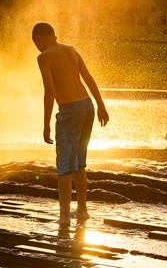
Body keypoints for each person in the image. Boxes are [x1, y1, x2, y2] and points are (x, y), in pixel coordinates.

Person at [33, 22, 109, 228]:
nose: (37, 47)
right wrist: (101, 106)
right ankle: (82, 210)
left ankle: (64, 216)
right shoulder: (71, 49)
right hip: (87, 107)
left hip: (70, 111)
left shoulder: (44, 56)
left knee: (64, 165)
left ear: (41, 38)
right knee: (79, 161)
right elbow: (89, 79)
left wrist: (46, 123)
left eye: (36, 42)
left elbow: (49, 91)